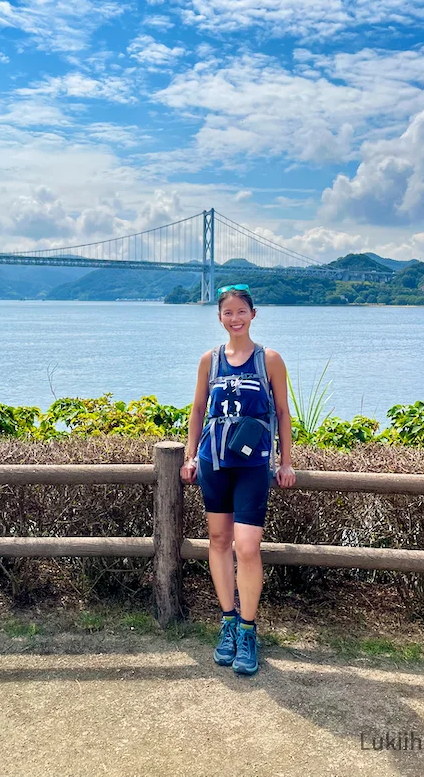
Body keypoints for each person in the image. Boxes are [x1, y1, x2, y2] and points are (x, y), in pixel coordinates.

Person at [180, 284, 296, 676]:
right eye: (227, 313)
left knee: (246, 547)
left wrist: (286, 462)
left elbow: (282, 413)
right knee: (217, 541)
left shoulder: (270, 360)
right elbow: (198, 410)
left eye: (241, 312)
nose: (234, 319)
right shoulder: (209, 361)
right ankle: (227, 622)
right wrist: (190, 455)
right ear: (220, 317)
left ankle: (248, 630)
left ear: (253, 314)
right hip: (214, 460)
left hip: (253, 464)